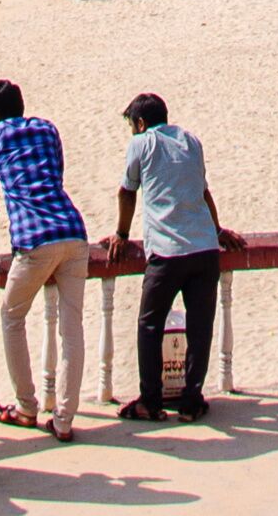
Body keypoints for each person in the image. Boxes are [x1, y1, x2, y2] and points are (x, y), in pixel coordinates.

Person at [0, 79, 88, 442]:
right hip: (72, 230)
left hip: (34, 239)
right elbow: (55, 177)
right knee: (72, 329)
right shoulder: (47, 128)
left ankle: (26, 406)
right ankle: (64, 419)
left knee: (11, 317)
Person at [110, 93, 237, 421]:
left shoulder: (141, 143)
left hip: (167, 252)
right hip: (205, 248)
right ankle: (192, 401)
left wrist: (121, 235)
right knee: (200, 326)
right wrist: (218, 230)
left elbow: (127, 191)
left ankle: (150, 401)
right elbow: (203, 191)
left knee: (150, 324)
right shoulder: (191, 141)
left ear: (140, 123)